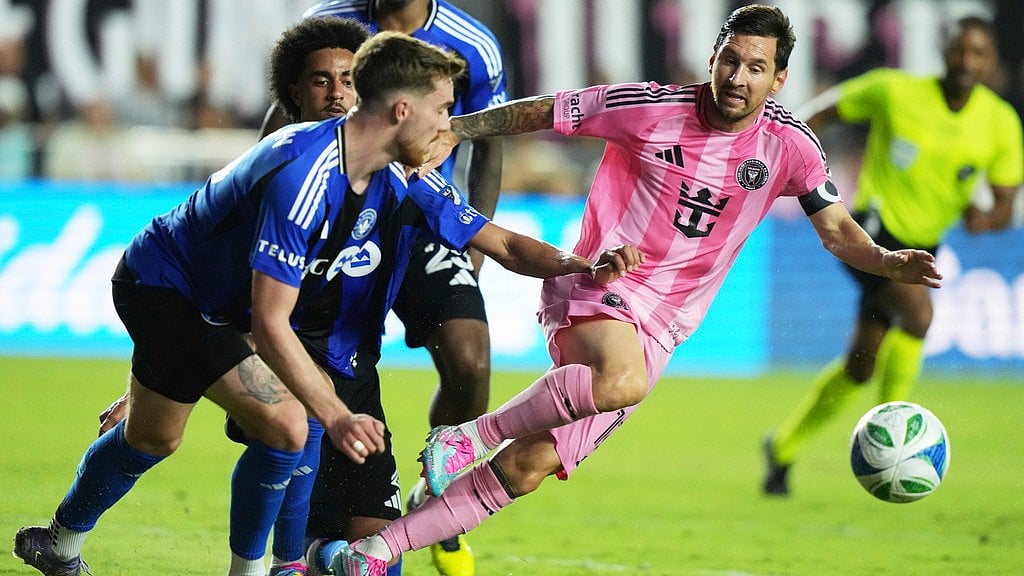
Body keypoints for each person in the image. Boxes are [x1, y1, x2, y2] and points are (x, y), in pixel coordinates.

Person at [319, 5, 944, 575]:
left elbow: (836, 231)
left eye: (756, 67)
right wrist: (464, 128)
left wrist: (886, 261)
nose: (737, 76)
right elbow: (552, 110)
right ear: (713, 56)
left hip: (667, 324)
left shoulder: (790, 149)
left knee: (530, 466)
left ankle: (377, 551)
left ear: (778, 79)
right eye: (730, 58)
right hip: (599, 278)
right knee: (621, 379)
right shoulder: (649, 105)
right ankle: (468, 436)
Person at [14, 29, 637, 576]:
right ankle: (265, 570)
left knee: (151, 438)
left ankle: (60, 542)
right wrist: (336, 415)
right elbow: (269, 321)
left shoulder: (399, 172)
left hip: (223, 307)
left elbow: (499, 241)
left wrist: (574, 263)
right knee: (290, 425)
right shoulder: (304, 173)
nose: (451, 129)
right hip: (167, 289)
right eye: (444, 111)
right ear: (401, 109)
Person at [268, 3, 509, 574]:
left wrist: (472, 251)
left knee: (471, 363)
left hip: (418, 219)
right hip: (337, 219)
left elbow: (490, 144)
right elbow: (283, 123)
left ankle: (437, 495)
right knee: (313, 359)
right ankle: (297, 541)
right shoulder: (331, 25)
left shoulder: (474, 45)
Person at [761, 15, 1023, 497]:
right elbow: (820, 114)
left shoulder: (1000, 124)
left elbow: (1005, 209)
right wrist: (792, 166)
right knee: (919, 316)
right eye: (960, 50)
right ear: (944, 51)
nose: (967, 61)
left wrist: (983, 218)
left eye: (978, 53)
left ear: (991, 63)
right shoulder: (894, 91)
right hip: (870, 232)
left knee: (862, 365)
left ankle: (781, 448)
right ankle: (899, 438)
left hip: (923, 248)